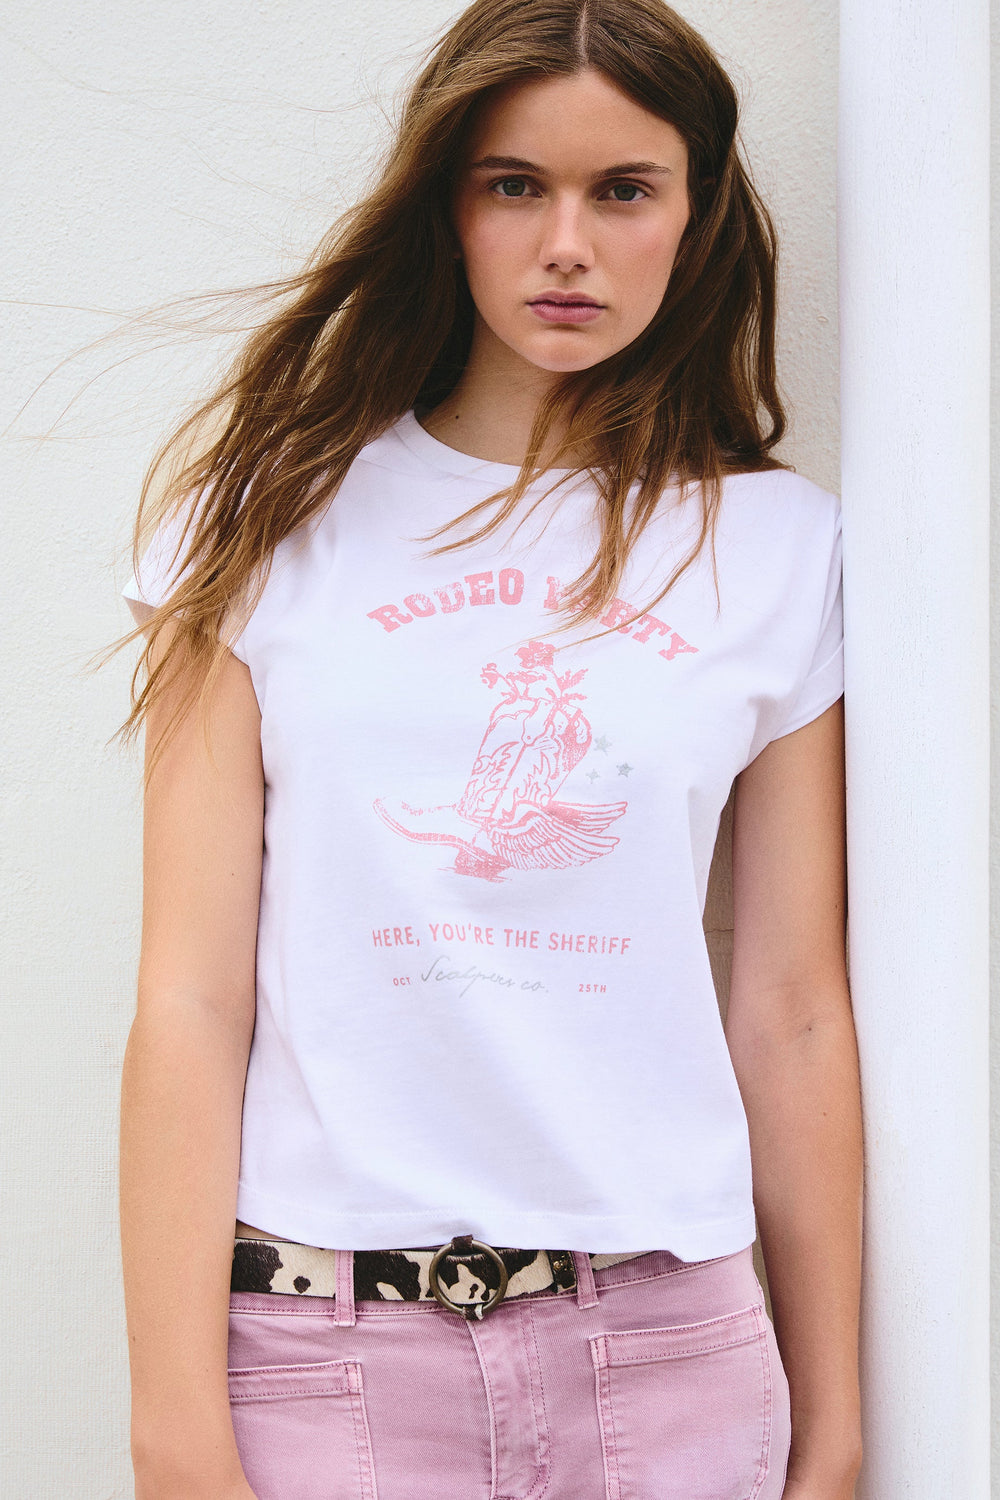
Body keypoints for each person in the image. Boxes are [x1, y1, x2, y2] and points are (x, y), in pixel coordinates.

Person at [118, 1, 863, 1496]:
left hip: (671, 1355)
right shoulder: (265, 518)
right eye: (514, 185)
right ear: (446, 206)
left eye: (625, 190)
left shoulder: (779, 550)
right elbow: (190, 998)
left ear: (697, 216)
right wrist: (173, 1430)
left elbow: (790, 1008)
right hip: (326, 1355)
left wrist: (836, 1426)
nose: (567, 245)